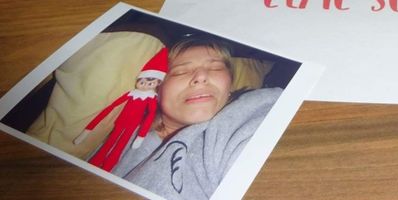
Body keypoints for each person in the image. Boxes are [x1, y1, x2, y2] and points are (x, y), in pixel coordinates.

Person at [113, 36, 282, 200]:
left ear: (229, 85)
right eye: (180, 71)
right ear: (157, 91)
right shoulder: (122, 138)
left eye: (216, 68)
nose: (201, 77)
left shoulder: (248, 112)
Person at [73, 48, 168, 172]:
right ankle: (94, 163)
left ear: (157, 83)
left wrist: (141, 135)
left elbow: (150, 115)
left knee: (118, 148)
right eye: (142, 82)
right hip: (120, 123)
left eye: (149, 83)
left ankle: (107, 167)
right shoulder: (131, 93)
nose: (144, 86)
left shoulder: (151, 98)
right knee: (107, 145)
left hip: (132, 126)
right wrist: (89, 128)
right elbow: (111, 107)